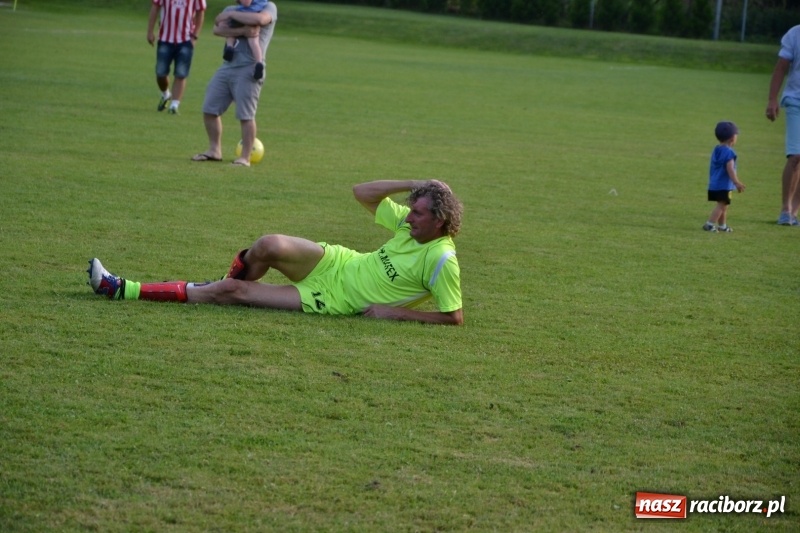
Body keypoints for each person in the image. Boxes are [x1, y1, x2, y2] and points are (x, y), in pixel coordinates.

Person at [87, 180, 465, 326]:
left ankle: (122, 289)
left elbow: (454, 317)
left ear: (439, 220)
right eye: (411, 209)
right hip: (338, 261)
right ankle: (215, 288)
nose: (409, 216)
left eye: (418, 212)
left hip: (332, 298)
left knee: (234, 293)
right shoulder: (408, 225)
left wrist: (393, 312)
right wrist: (417, 184)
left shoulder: (442, 259)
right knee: (267, 245)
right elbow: (361, 192)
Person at [191, 2, 277, 166]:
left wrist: (231, 17)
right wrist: (243, 30)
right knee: (210, 108)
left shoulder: (268, 6)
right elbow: (217, 28)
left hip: (251, 67)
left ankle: (245, 158)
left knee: (246, 115)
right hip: (228, 67)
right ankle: (214, 151)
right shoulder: (231, 9)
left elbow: (261, 19)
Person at [147, 0, 207, 115]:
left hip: (185, 39)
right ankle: (165, 94)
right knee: (160, 72)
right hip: (165, 38)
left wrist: (195, 36)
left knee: (181, 73)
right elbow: (155, 7)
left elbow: (201, 12)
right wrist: (150, 31)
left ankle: (174, 105)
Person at [766, 24, 800, 226]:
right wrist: (772, 99)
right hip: (796, 100)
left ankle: (795, 211)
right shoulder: (795, 34)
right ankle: (785, 209)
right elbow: (780, 67)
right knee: (796, 155)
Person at [703, 121, 746, 233]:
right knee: (721, 205)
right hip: (724, 185)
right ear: (732, 138)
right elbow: (730, 168)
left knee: (724, 205)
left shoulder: (717, 149)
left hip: (714, 183)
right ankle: (710, 224)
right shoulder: (729, 152)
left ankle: (722, 226)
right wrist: (736, 182)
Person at [223, 0, 268, 80]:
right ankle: (259, 62)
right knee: (254, 41)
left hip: (246, 13)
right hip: (256, 13)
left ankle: (230, 47)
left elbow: (246, 3)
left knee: (231, 29)